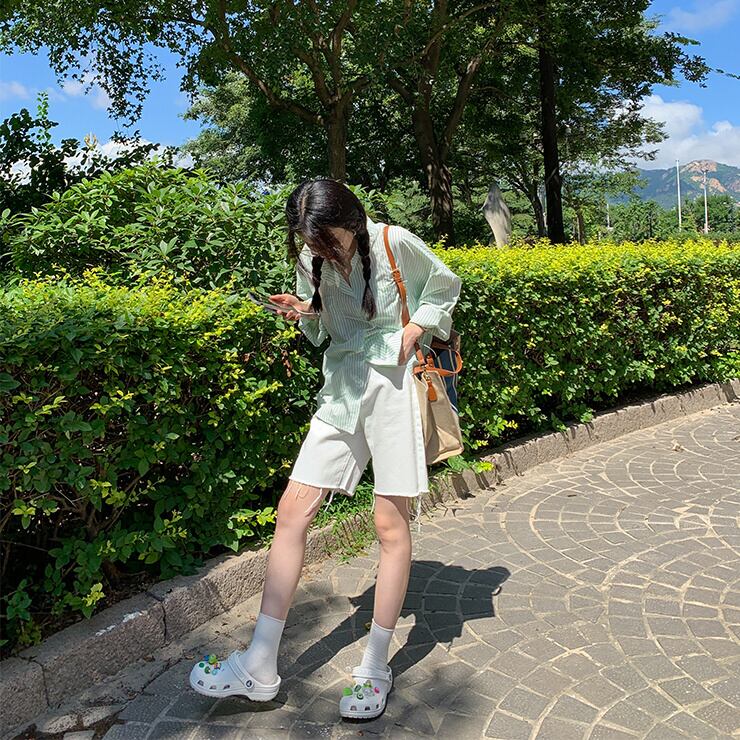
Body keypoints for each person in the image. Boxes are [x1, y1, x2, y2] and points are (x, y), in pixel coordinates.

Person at [189, 178, 461, 720]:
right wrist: (304, 311)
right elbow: (327, 325)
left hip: (393, 386)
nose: (322, 251)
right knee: (291, 512)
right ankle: (259, 663)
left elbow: (444, 287)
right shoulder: (311, 257)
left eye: (329, 240)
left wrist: (416, 328)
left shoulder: (392, 241)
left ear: (351, 221)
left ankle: (375, 667)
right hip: (341, 389)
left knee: (389, 525)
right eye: (312, 243)